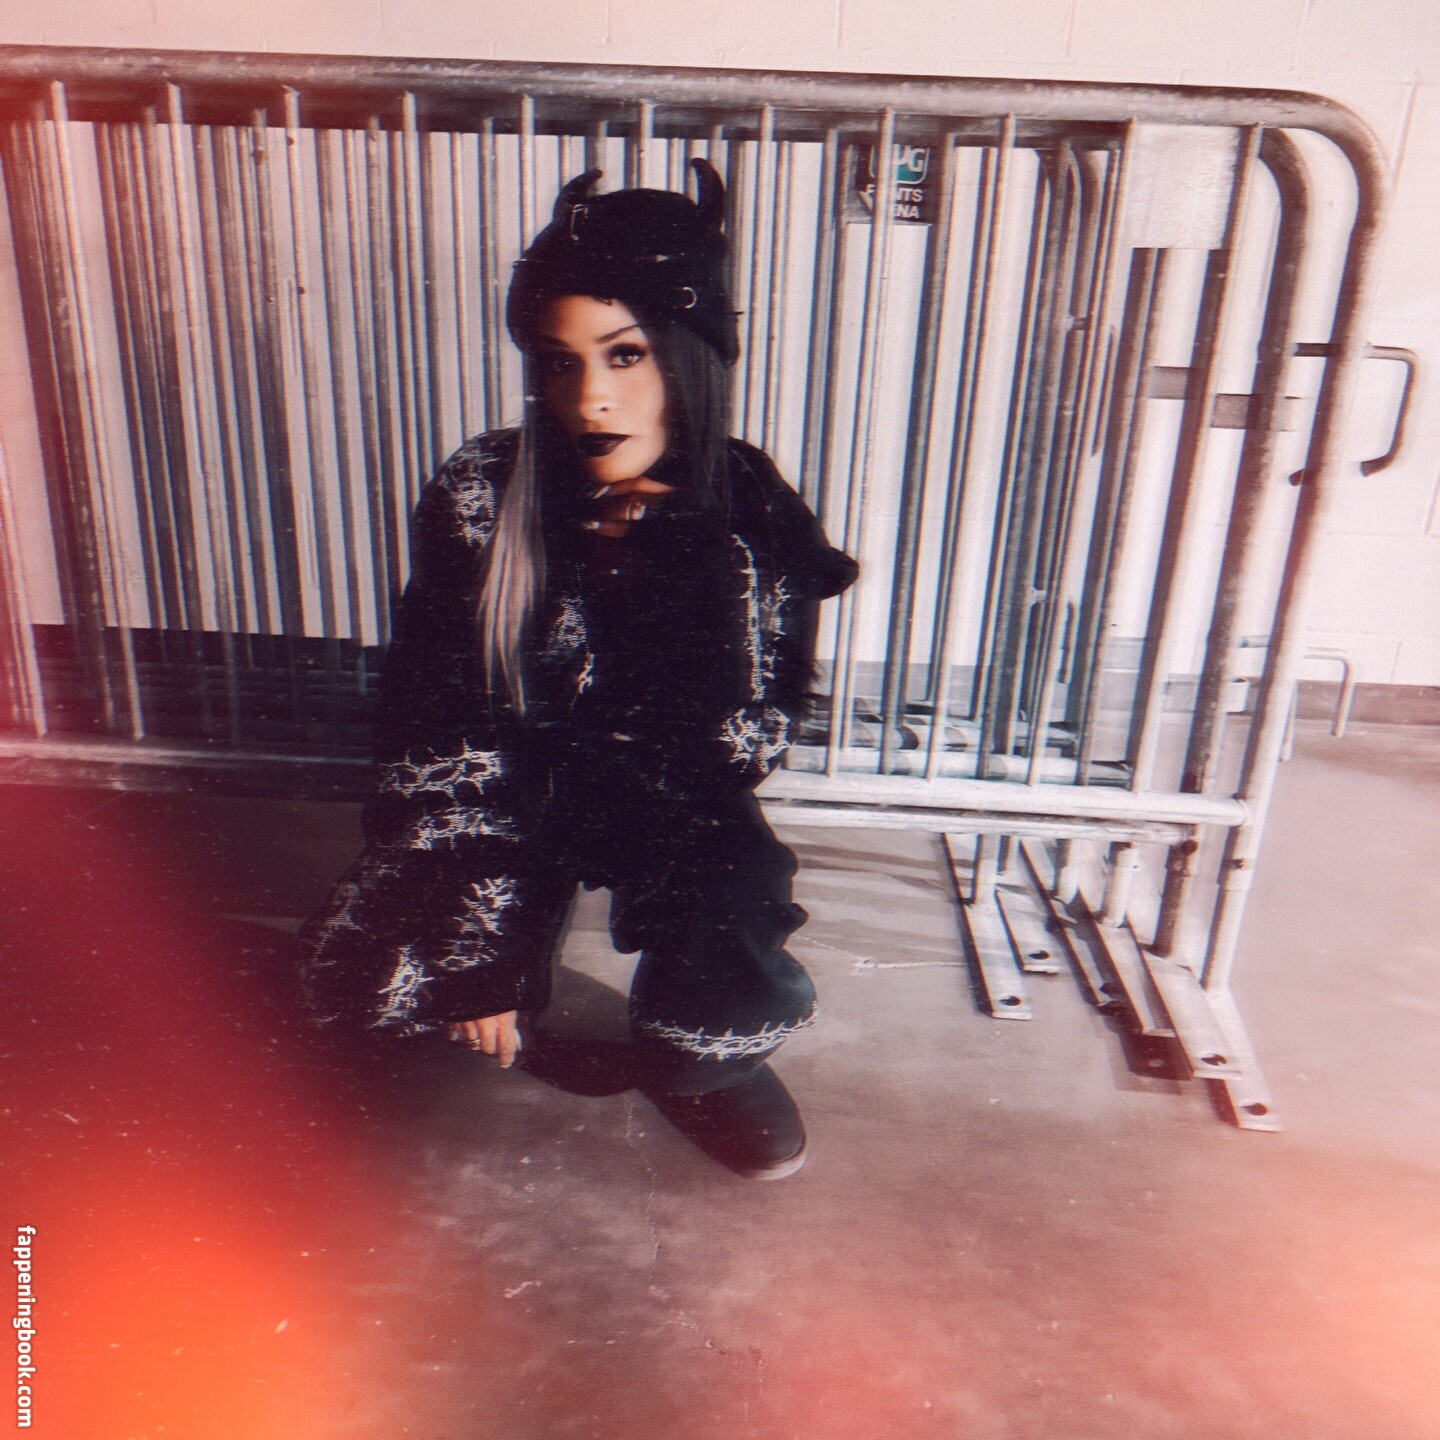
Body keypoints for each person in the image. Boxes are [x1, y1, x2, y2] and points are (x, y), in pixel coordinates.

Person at [298, 160, 857, 1179]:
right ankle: (498, 972)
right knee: (362, 999)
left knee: (730, 885)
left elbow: (745, 746)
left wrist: (683, 586)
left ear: (688, 356)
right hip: (512, 780)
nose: (590, 396)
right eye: (559, 363)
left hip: (660, 791)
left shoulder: (748, 504)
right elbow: (437, 721)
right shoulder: (486, 487)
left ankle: (703, 1063)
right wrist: (482, 954)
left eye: (625, 354)